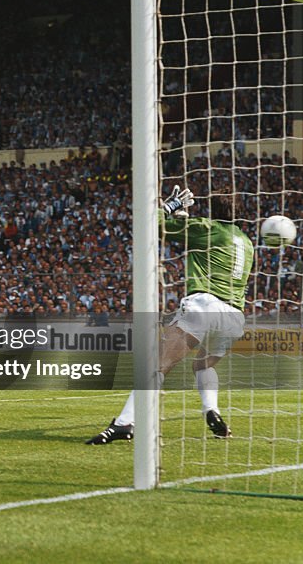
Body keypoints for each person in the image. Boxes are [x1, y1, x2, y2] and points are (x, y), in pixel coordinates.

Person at [87, 187, 252, 444]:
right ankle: (213, 411)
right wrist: (185, 220)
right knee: (203, 365)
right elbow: (201, 244)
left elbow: (152, 223)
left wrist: (171, 206)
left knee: (156, 365)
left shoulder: (208, 229)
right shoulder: (246, 241)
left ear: (214, 211)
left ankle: (124, 423)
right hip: (234, 317)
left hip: (205, 306)